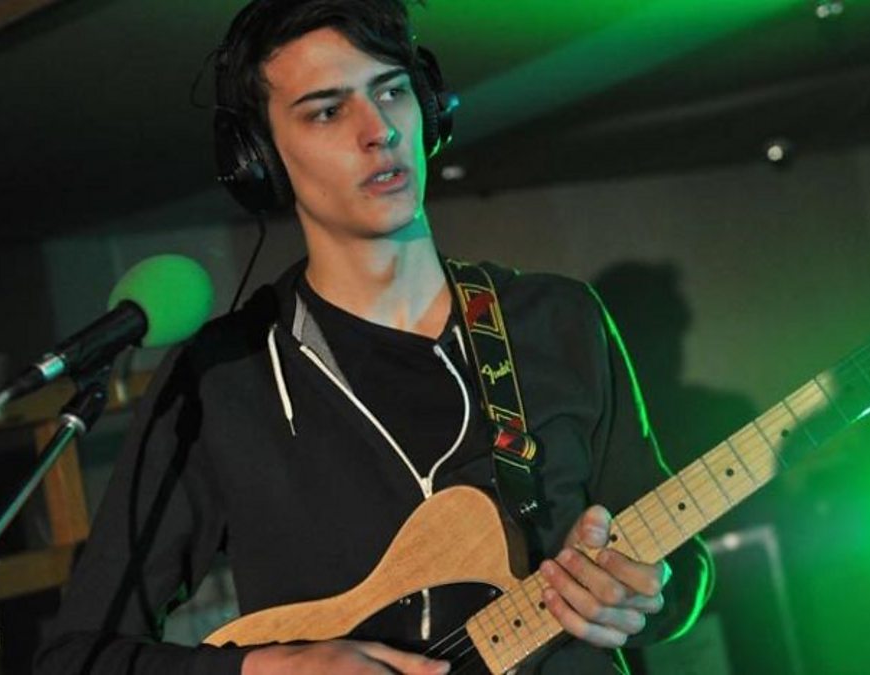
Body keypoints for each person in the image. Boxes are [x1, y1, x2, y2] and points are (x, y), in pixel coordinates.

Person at [34, 1, 705, 673]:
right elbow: (75, 657)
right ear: (261, 158)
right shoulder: (220, 380)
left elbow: (673, 555)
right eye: (327, 111)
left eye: (390, 91)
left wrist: (654, 594)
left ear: (429, 108)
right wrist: (267, 669)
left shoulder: (557, 318)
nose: (377, 130)